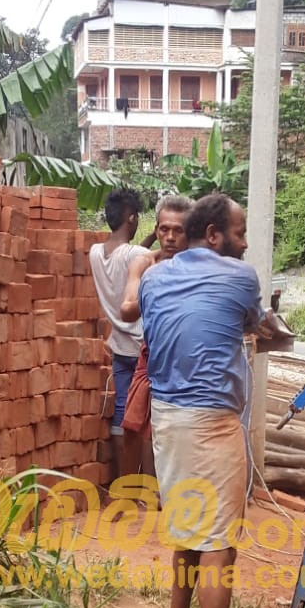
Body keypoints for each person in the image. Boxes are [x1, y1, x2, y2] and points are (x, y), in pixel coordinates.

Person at [139, 193, 279, 608]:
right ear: (215, 234)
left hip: (167, 419)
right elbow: (249, 322)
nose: (245, 243)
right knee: (220, 543)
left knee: (187, 527)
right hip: (212, 423)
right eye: (240, 233)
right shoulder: (241, 277)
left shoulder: (154, 277)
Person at [118, 195, 193, 459]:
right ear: (156, 230)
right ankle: (127, 495)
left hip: (188, 359)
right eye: (164, 229)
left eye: (178, 230)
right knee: (132, 425)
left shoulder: (200, 268)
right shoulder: (145, 264)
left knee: (175, 433)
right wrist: (156, 287)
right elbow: (127, 309)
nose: (170, 237)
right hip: (150, 354)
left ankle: (166, 496)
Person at [88, 189, 152, 480]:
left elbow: (133, 257)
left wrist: (148, 242)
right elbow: (143, 260)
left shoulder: (95, 253)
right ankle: (151, 484)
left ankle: (122, 481)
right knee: (147, 415)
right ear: (132, 218)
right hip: (142, 347)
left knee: (122, 411)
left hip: (118, 345)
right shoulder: (136, 255)